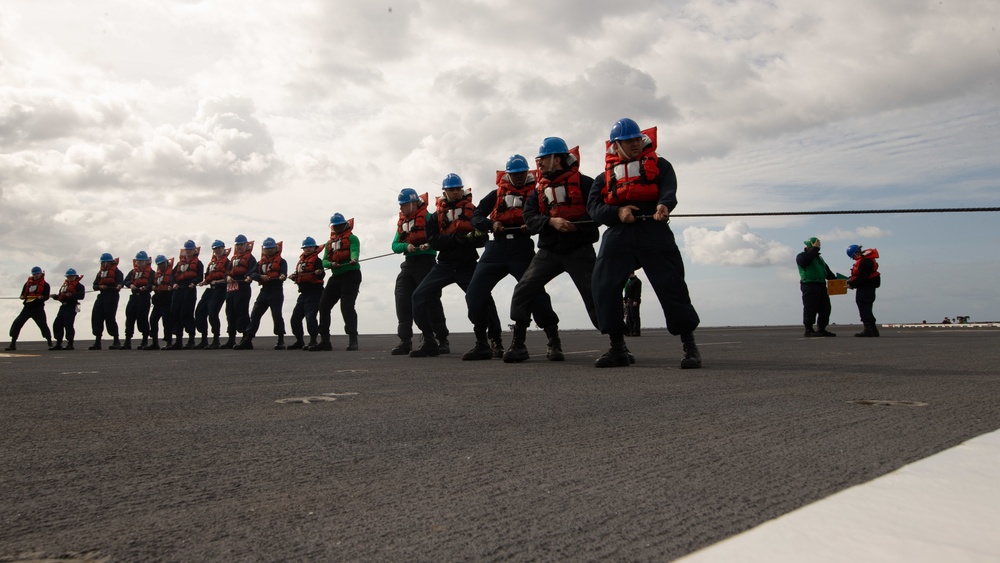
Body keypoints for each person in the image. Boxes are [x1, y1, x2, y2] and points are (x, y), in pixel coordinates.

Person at [587, 118, 702, 368]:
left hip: (654, 228)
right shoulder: (602, 178)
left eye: (638, 139)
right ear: (615, 146)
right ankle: (618, 348)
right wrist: (617, 213)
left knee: (671, 284)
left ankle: (689, 346)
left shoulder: (661, 165)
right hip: (619, 232)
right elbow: (594, 207)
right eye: (629, 140)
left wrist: (664, 205)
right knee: (602, 284)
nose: (636, 144)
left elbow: (668, 189)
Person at [504, 138, 598, 363]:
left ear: (557, 159)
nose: (540, 164)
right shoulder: (539, 191)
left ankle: (618, 345)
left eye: (543, 159)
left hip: (580, 249)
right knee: (524, 289)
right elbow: (529, 216)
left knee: (596, 294)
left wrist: (578, 225)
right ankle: (519, 344)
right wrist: (551, 222)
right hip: (549, 252)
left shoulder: (586, 183)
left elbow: (598, 210)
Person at [462, 155, 557, 361]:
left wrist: (532, 224)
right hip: (496, 248)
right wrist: (490, 225)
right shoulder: (495, 194)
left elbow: (548, 213)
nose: (520, 177)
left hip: (522, 248)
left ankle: (553, 339)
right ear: (508, 175)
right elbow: (476, 216)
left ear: (528, 172)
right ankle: (482, 343)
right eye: (515, 174)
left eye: (523, 173)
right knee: (474, 294)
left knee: (535, 294)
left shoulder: (536, 193)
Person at [409, 173, 500, 357]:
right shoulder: (435, 217)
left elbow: (482, 239)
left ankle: (493, 341)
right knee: (418, 296)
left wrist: (474, 237)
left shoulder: (473, 212)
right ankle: (429, 340)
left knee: (483, 299)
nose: (456, 192)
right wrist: (456, 238)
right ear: (445, 191)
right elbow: (433, 241)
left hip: (467, 264)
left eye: (458, 189)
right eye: (452, 189)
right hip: (444, 265)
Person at [390, 188, 447, 355]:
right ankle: (405, 341)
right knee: (402, 298)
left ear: (413, 203)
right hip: (409, 263)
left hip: (427, 262)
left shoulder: (428, 217)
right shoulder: (402, 222)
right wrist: (406, 246)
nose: (401, 208)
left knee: (431, 300)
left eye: (403, 205)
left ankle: (442, 339)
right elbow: (394, 245)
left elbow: (438, 237)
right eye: (400, 205)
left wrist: (428, 245)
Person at [311, 214, 362, 352]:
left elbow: (354, 250)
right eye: (335, 226)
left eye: (340, 225)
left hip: (351, 275)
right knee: (323, 305)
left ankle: (353, 340)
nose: (338, 228)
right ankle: (325, 340)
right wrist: (331, 263)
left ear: (345, 224)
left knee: (347, 306)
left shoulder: (352, 238)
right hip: (336, 276)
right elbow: (324, 260)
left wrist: (354, 258)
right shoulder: (329, 243)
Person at [235, 238, 287, 350]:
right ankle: (247, 340)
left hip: (276, 290)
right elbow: (251, 273)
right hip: (264, 291)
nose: (268, 251)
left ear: (275, 248)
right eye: (266, 248)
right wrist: (260, 277)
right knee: (255, 315)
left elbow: (283, 272)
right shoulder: (260, 263)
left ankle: (280, 340)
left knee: (277, 315)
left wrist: (282, 276)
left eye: (271, 248)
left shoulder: (282, 261)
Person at [288, 236, 326, 350]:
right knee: (295, 318)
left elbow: (322, 275)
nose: (308, 249)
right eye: (305, 248)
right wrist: (294, 277)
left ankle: (313, 340)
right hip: (303, 294)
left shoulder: (317, 261)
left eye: (310, 247)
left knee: (310, 317)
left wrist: (319, 273)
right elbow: (300, 275)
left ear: (315, 249)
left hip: (315, 292)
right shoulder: (301, 262)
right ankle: (299, 340)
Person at [796, 237, 839, 337]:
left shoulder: (819, 259)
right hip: (809, 284)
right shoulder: (801, 256)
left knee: (825, 308)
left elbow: (828, 273)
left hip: (821, 285)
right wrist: (815, 249)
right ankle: (809, 329)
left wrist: (841, 281)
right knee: (810, 307)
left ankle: (821, 328)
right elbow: (805, 261)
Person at [5, 266, 52, 351]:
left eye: (37, 273)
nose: (36, 275)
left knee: (42, 324)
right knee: (17, 323)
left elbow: (46, 296)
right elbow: (23, 294)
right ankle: (13, 343)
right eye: (34, 274)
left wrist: (42, 297)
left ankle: (49, 341)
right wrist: (22, 297)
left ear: (41, 273)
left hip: (38, 308)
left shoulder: (46, 285)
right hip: (27, 307)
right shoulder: (27, 284)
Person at [222, 235, 257, 349]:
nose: (239, 247)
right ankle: (231, 339)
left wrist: (248, 277)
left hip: (243, 288)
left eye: (241, 244)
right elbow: (227, 272)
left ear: (246, 245)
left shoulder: (251, 258)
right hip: (231, 289)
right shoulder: (233, 259)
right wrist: (227, 277)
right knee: (230, 312)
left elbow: (253, 271)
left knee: (241, 312)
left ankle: (246, 339)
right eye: (237, 245)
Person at [194, 240, 230, 349]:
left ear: (224, 249)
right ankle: (204, 339)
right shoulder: (212, 263)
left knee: (212, 312)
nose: (217, 250)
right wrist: (204, 282)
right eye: (215, 249)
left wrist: (218, 282)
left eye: (219, 248)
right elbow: (208, 277)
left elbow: (228, 277)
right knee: (200, 311)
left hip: (221, 290)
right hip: (210, 290)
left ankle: (216, 340)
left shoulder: (227, 262)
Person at [168, 240, 204, 350]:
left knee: (186, 314)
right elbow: (172, 276)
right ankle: (178, 340)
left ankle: (191, 339)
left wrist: (193, 283)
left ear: (194, 250)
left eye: (190, 249)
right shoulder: (179, 264)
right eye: (187, 249)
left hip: (189, 290)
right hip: (178, 290)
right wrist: (173, 283)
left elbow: (200, 276)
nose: (188, 251)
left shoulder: (198, 263)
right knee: (175, 313)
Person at [90, 253, 124, 350]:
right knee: (96, 317)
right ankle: (97, 341)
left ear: (108, 262)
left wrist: (119, 286)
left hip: (112, 296)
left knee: (110, 317)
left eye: (103, 262)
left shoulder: (118, 272)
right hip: (102, 296)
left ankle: (116, 340)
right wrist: (100, 286)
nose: (102, 264)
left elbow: (121, 282)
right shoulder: (100, 273)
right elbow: (94, 285)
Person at [847, 244, 881, 337]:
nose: (854, 259)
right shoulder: (868, 260)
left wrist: (851, 284)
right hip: (869, 288)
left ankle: (868, 329)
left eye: (853, 257)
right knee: (867, 308)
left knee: (864, 308)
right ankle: (873, 330)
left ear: (856, 253)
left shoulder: (864, 262)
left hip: (865, 288)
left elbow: (862, 277)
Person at [122, 251, 153, 349]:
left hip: (144, 297)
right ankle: (127, 341)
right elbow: (126, 281)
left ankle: (144, 341)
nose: (139, 263)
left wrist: (145, 287)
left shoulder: (151, 272)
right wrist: (130, 285)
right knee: (130, 317)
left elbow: (152, 283)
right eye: (138, 261)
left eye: (141, 261)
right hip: (134, 296)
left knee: (142, 318)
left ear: (146, 261)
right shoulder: (133, 272)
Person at [50, 268, 86, 351]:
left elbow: (81, 296)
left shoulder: (79, 286)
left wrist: (72, 296)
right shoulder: (65, 285)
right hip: (63, 306)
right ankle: (58, 343)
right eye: (68, 276)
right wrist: (55, 296)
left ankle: (70, 344)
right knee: (57, 324)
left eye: (71, 276)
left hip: (71, 306)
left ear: (75, 276)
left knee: (68, 324)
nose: (70, 278)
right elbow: (60, 296)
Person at [146, 255, 174, 350]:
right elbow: (151, 283)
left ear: (166, 262)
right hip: (158, 301)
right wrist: (152, 286)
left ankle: (169, 342)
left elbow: (174, 282)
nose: (161, 265)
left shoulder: (171, 272)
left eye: (163, 263)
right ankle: (155, 342)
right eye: (159, 264)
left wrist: (171, 287)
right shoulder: (156, 274)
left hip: (167, 300)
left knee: (167, 322)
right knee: (153, 320)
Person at [623, 271, 642, 337]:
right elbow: (626, 291)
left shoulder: (637, 281)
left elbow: (638, 291)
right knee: (629, 317)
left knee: (635, 316)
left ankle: (636, 332)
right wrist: (625, 299)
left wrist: (636, 300)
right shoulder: (629, 282)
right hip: (629, 300)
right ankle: (630, 331)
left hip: (634, 300)